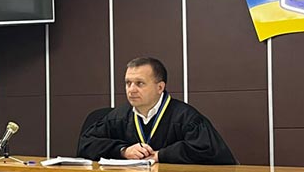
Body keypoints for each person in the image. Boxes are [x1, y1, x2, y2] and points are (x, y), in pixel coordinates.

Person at [77, 57, 237, 164]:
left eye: (139, 83)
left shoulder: (186, 118)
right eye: (128, 83)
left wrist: (162, 155)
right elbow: (86, 144)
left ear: (160, 87)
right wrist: (123, 151)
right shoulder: (118, 117)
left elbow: (213, 152)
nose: (131, 90)